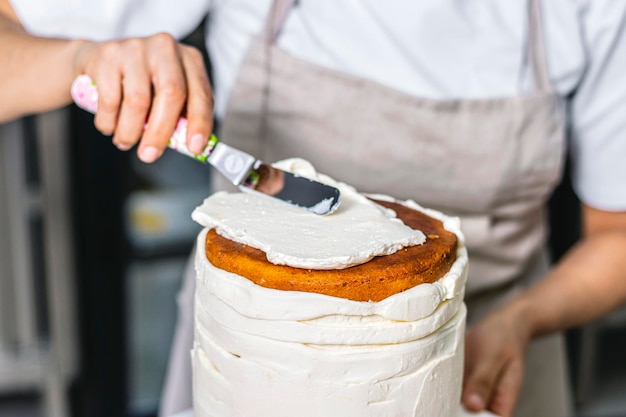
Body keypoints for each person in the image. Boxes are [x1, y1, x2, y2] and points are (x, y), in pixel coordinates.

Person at [2, 1, 626, 416]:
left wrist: (523, 319)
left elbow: (617, 235)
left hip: (491, 360)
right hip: (253, 372)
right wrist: (81, 59)